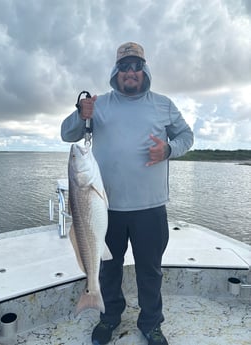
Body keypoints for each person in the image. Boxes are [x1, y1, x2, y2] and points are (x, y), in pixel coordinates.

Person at [61, 42, 194, 345]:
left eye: (136, 66)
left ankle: (151, 324)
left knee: (150, 271)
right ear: (116, 71)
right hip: (105, 210)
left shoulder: (164, 104)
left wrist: (169, 149)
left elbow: (187, 136)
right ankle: (109, 317)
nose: (130, 72)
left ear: (144, 70)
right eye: (124, 67)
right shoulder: (100, 104)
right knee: (108, 270)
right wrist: (80, 114)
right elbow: (68, 135)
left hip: (150, 207)